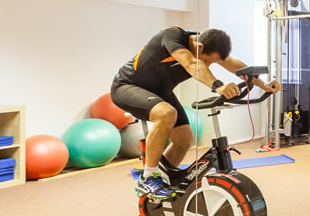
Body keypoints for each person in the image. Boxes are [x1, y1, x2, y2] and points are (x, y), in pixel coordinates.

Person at [111, 27, 280, 201]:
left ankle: (163, 178)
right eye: (207, 61)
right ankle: (148, 178)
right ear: (199, 47)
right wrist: (218, 85)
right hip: (127, 86)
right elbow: (192, 64)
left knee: (184, 139)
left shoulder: (209, 46)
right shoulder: (173, 37)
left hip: (161, 92)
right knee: (166, 114)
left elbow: (233, 64)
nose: (208, 65)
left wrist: (263, 85)